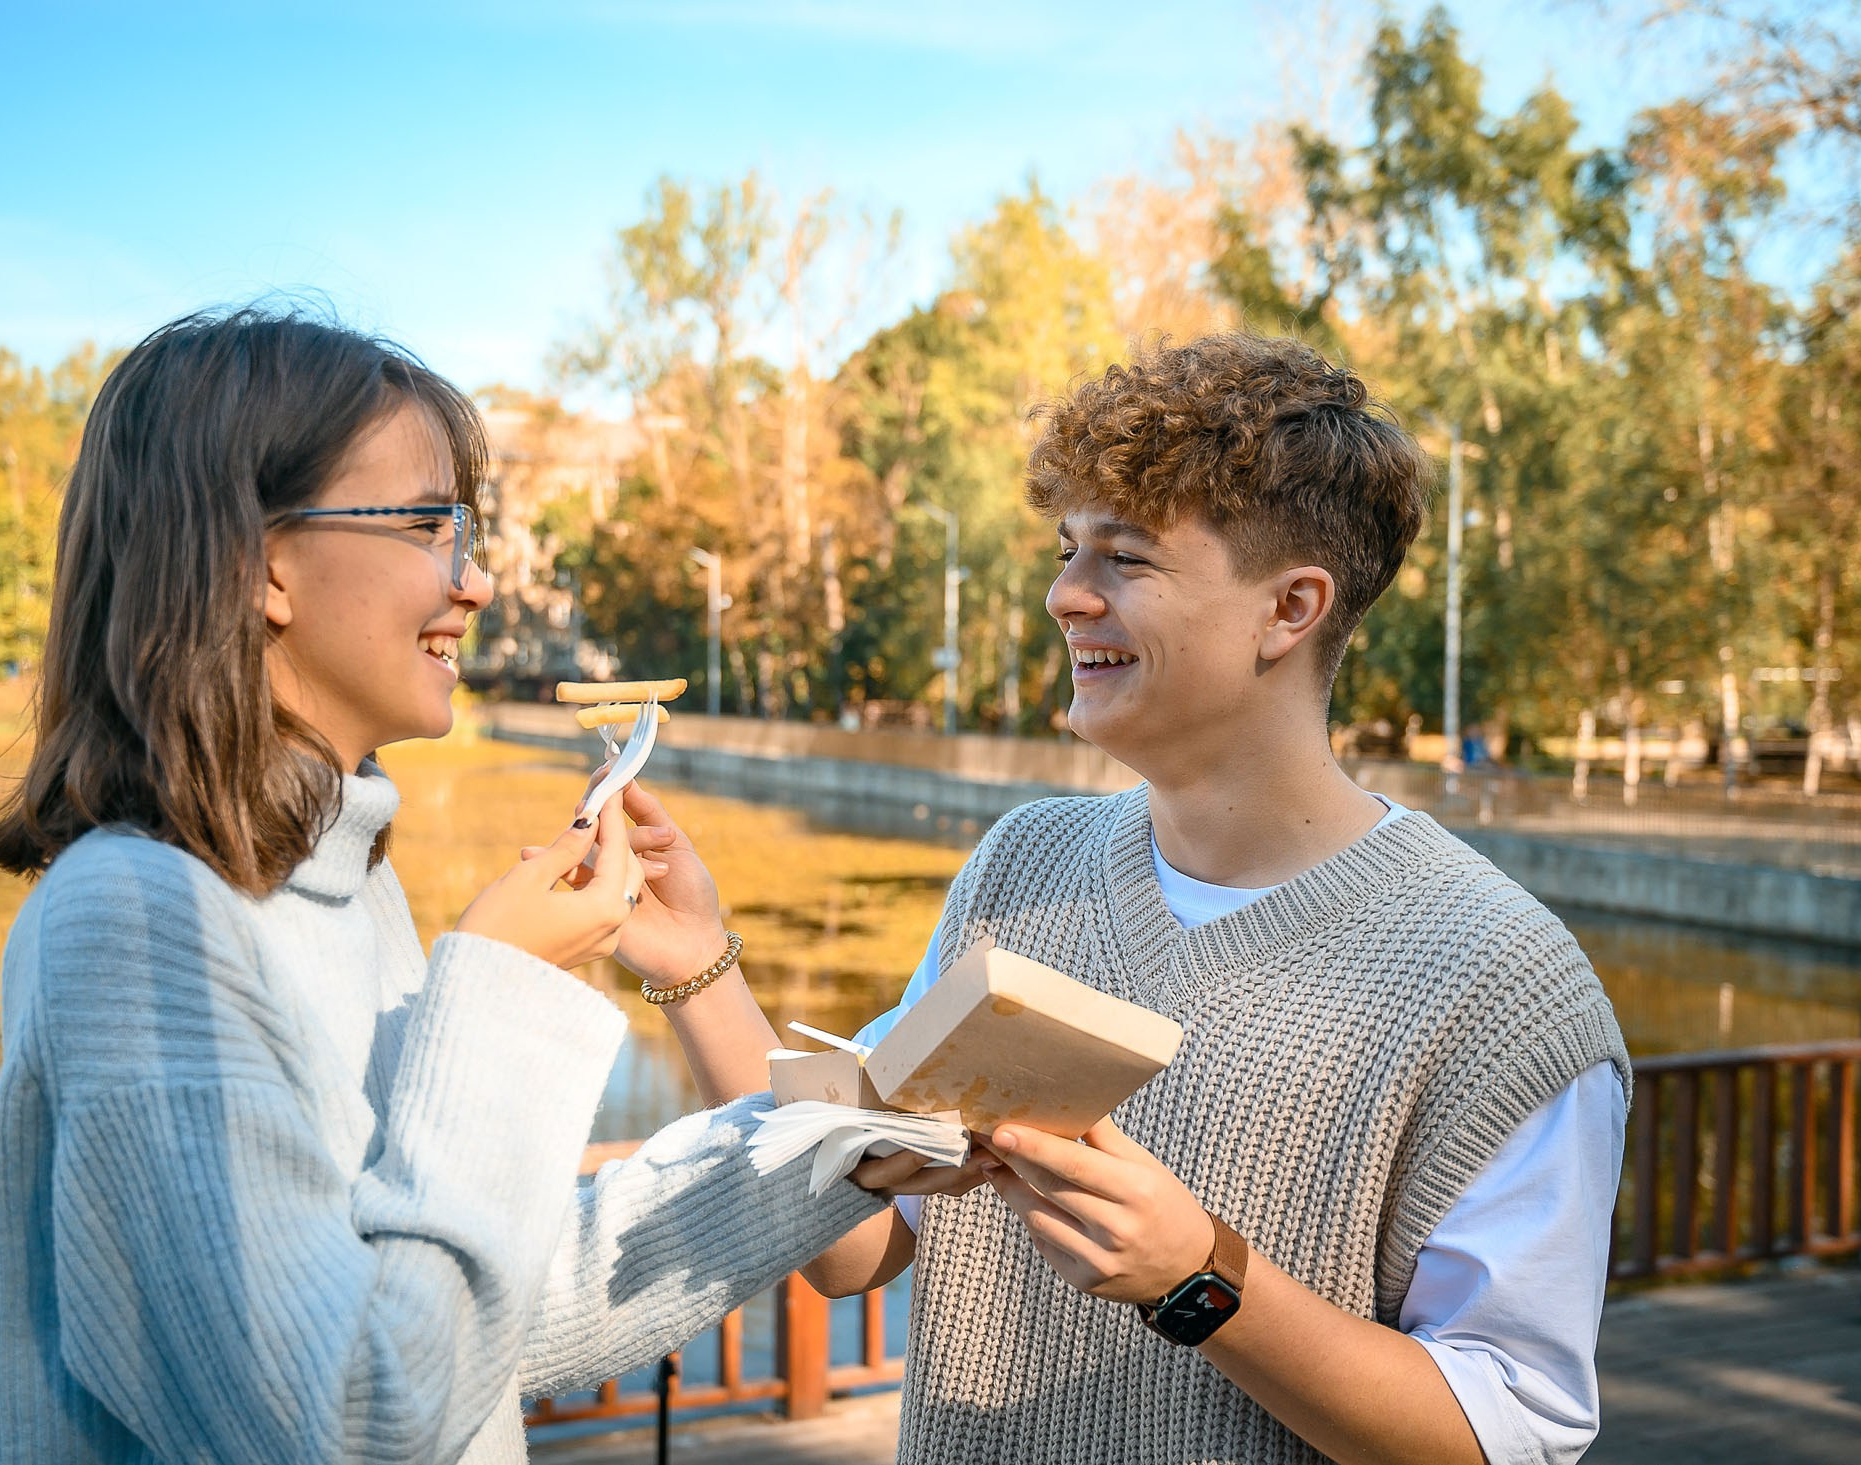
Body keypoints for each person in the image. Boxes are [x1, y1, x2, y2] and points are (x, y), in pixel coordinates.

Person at [620, 333, 1629, 1464]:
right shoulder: (1021, 865)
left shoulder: (1504, 986)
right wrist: (696, 965)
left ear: (1289, 609)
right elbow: (853, 1251)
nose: (1064, 595)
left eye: (1125, 559)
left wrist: (1200, 1275)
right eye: (1068, 548)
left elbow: (1506, 1435)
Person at [0, 308, 883, 1465]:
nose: (478, 580)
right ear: (260, 565)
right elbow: (349, 1421)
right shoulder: (135, 921)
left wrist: (843, 1148)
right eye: (428, 525)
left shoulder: (336, 881)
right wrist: (497, 988)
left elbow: (469, 1314)